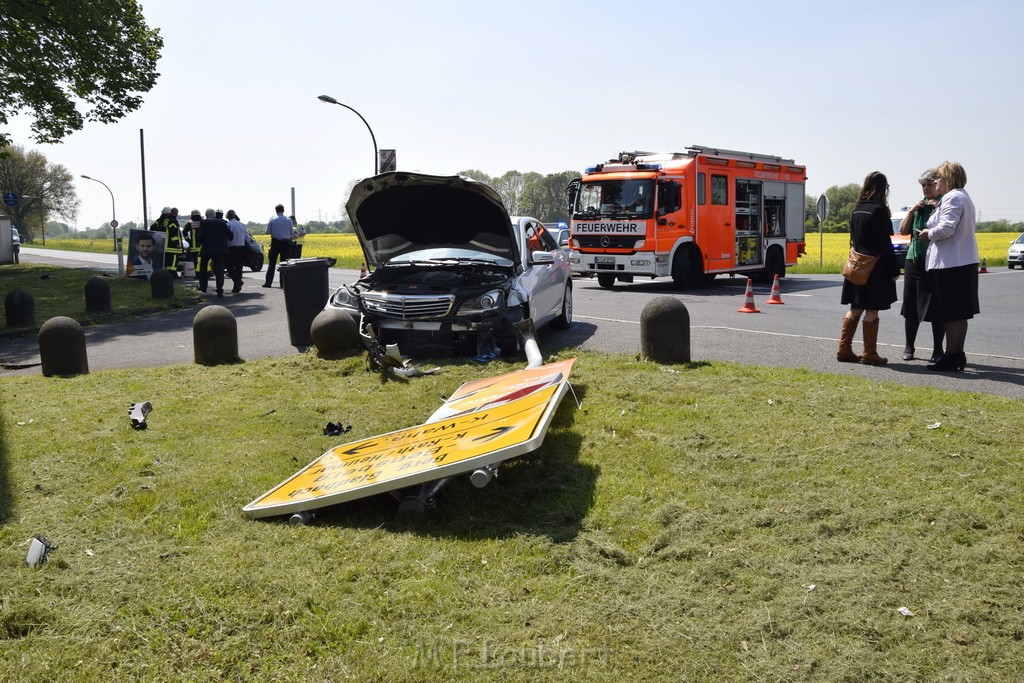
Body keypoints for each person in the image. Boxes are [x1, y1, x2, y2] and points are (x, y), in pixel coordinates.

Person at [918, 161, 979, 372]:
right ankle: (957, 354)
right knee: (959, 312)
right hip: (961, 261)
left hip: (951, 263)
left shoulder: (953, 197)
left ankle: (952, 356)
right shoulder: (961, 196)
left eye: (938, 178)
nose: (935, 182)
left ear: (948, 179)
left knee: (952, 312)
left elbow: (946, 228)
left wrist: (928, 234)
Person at [836, 171, 900, 365]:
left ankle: (844, 349)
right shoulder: (878, 210)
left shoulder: (856, 209)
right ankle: (870, 353)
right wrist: (894, 269)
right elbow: (884, 244)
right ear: (883, 189)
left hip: (856, 265)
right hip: (875, 267)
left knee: (855, 307)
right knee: (872, 309)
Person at [899, 169, 945, 362]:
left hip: (935, 262)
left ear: (938, 185)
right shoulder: (918, 207)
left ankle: (937, 350)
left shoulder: (944, 204)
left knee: (937, 307)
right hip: (914, 260)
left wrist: (937, 209)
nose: (925, 189)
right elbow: (902, 230)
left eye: (929, 185)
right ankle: (909, 347)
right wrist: (911, 211)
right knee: (910, 305)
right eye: (923, 186)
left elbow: (947, 229)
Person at [197, 208, 232, 297]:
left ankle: (203, 287)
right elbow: (230, 235)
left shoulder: (203, 223)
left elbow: (200, 236)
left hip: (207, 249)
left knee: (203, 267)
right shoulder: (222, 223)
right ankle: (219, 290)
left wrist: (200, 243)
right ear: (214, 215)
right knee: (219, 270)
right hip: (220, 249)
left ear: (206, 215)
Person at [263, 204, 293, 288]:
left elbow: (267, 231)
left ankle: (268, 283)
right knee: (284, 264)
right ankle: (283, 283)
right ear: (283, 210)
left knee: (272, 263)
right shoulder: (289, 219)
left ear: (276, 210)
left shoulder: (272, 219)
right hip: (285, 243)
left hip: (275, 243)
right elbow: (291, 232)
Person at [150, 206, 183, 276]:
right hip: (172, 246)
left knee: (167, 262)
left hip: (164, 245)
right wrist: (176, 243)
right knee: (173, 261)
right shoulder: (172, 221)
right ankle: (173, 274)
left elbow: (153, 228)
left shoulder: (163, 221)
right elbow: (173, 233)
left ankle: (167, 274)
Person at [225, 209, 249, 293]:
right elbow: (247, 238)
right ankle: (236, 287)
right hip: (242, 247)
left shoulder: (228, 224)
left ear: (227, 216)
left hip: (232, 248)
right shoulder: (241, 224)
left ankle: (238, 282)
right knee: (239, 268)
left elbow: (227, 237)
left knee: (229, 268)